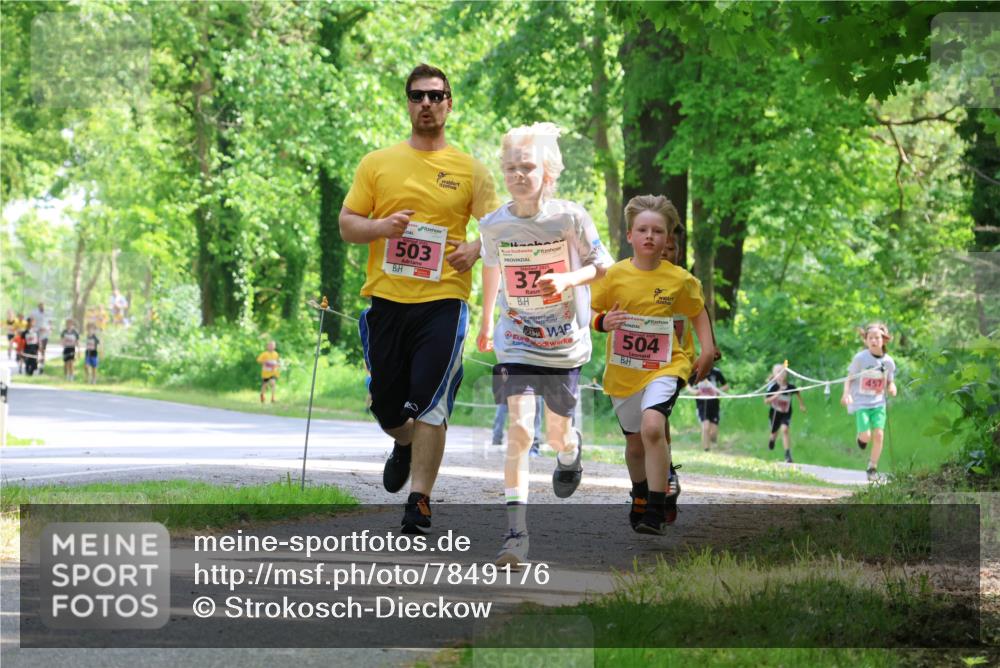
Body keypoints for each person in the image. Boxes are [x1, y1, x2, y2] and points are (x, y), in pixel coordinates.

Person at [339, 63, 500, 535]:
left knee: (430, 401)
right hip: (387, 301)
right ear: (407, 103)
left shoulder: (471, 169)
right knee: (388, 407)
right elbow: (349, 224)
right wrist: (382, 227)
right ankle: (403, 442)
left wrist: (476, 247)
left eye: (435, 96)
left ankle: (420, 500)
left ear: (450, 103)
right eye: (417, 96)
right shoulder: (377, 163)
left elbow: (500, 233)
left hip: (443, 303)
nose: (426, 104)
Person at [477, 122, 613, 564]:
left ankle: (571, 453)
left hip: (563, 343)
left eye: (528, 167)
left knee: (557, 434)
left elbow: (603, 264)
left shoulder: (570, 216)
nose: (518, 175)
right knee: (519, 429)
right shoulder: (493, 225)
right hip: (516, 338)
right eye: (511, 167)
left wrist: (568, 279)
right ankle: (515, 535)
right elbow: (492, 270)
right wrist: (484, 322)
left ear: (548, 172)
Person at [592, 195, 715, 535]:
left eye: (658, 231)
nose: (650, 236)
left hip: (665, 366)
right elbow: (592, 311)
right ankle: (641, 494)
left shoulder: (679, 279)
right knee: (634, 445)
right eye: (642, 230)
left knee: (652, 428)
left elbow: (697, 311)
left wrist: (707, 349)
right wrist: (603, 321)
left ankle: (656, 509)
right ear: (630, 235)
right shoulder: (614, 275)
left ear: (667, 238)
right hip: (624, 372)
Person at [841, 323, 897, 482]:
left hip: (879, 403)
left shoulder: (889, 362)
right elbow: (849, 377)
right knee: (866, 436)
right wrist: (846, 394)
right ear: (865, 340)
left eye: (877, 338)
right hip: (861, 403)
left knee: (879, 435)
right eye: (870, 338)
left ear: (884, 340)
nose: (874, 341)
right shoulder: (860, 358)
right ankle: (861, 439)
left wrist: (892, 387)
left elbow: (890, 381)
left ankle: (872, 467)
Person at [764, 364, 806, 463]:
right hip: (774, 413)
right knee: (774, 432)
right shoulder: (772, 387)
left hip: (786, 413)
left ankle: (788, 454)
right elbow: (766, 401)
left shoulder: (790, 387)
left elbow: (797, 392)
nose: (781, 374)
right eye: (778, 372)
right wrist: (776, 395)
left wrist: (801, 404)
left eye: (783, 372)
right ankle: (772, 440)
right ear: (774, 375)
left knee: (785, 429)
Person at [693, 367, 729, 451]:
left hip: (714, 403)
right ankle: (706, 449)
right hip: (702, 403)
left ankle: (713, 442)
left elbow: (726, 386)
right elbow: (687, 385)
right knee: (705, 427)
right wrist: (694, 392)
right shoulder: (696, 372)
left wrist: (717, 391)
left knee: (713, 432)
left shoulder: (716, 372)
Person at [29, 303, 49, 369]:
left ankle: (42, 364)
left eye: (43, 306)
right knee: (37, 349)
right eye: (41, 306)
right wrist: (36, 328)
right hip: (36, 333)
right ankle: (35, 362)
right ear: (38, 306)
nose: (42, 307)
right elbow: (31, 321)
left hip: (45, 335)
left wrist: (47, 328)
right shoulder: (34, 313)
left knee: (43, 349)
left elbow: (49, 324)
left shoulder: (47, 313)